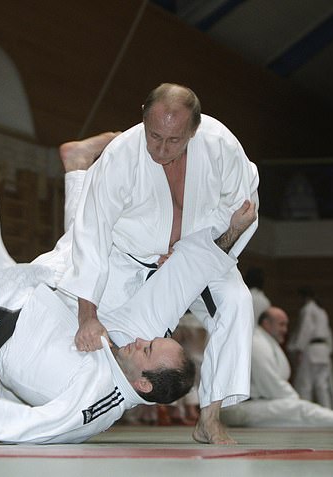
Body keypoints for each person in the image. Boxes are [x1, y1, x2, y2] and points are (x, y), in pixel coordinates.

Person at [0, 21, 256, 444]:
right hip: (42, 289)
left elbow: (48, 426)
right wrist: (88, 315)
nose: (145, 339)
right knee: (79, 243)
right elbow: (141, 253)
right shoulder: (137, 325)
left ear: (143, 383)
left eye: (151, 347)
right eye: (155, 135)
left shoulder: (100, 399)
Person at [57, 79, 260, 445]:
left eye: (174, 140)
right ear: (143, 118)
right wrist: (87, 313)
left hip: (200, 249)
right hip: (127, 255)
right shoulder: (123, 154)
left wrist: (196, 249)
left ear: (194, 130)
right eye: (154, 136)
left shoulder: (221, 146)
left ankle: (210, 416)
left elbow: (242, 209)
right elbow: (93, 232)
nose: (161, 148)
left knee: (236, 301)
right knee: (70, 318)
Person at [219, 307, 333, 428]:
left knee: (295, 419)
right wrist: (295, 400)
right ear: (266, 324)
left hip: (254, 406)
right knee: (298, 409)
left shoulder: (266, 342)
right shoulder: (256, 343)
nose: (285, 330)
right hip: (237, 409)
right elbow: (270, 384)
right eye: (281, 325)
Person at [287, 287, 333, 410]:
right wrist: (329, 351)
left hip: (311, 349)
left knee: (306, 384)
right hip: (324, 350)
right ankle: (327, 412)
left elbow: (306, 329)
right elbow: (329, 333)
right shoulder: (322, 311)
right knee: (322, 385)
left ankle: (305, 411)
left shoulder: (308, 309)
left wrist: (299, 348)